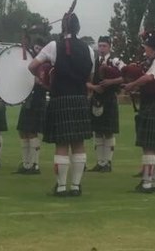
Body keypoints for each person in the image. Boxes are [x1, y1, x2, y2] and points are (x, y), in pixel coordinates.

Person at [29, 12, 94, 197]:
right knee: (78, 143)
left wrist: (43, 78)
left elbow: (32, 66)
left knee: (62, 144)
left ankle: (61, 186)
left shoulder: (53, 46)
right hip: (80, 98)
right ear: (78, 27)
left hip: (60, 98)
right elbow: (89, 76)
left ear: (63, 27)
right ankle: (75, 186)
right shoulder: (88, 49)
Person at [123, 31, 155, 193]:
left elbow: (149, 78)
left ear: (152, 48)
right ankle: (154, 182)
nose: (145, 51)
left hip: (152, 106)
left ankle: (147, 183)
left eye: (146, 48)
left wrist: (132, 85)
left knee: (149, 147)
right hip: (154, 106)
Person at [86, 36, 125, 173]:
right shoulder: (94, 62)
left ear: (110, 47)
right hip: (96, 98)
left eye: (104, 46)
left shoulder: (115, 61)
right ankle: (100, 162)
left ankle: (107, 163)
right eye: (100, 46)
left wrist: (111, 82)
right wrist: (93, 87)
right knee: (97, 131)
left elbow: (125, 76)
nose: (101, 49)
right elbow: (86, 80)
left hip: (109, 98)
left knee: (108, 132)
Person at [14, 39, 48, 175]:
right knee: (22, 130)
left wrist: (40, 81)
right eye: (36, 47)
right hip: (28, 97)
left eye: (39, 48)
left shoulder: (46, 63)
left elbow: (47, 81)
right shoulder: (29, 59)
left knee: (32, 131)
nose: (37, 50)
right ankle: (26, 164)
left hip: (37, 98)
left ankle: (35, 165)